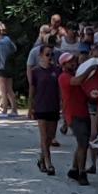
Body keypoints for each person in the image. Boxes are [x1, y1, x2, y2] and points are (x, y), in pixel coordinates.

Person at [59, 52, 91, 186]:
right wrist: (90, 68)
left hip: (83, 112)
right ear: (64, 64)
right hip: (74, 114)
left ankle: (74, 169)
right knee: (83, 144)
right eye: (70, 61)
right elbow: (76, 82)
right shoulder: (64, 77)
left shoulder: (75, 74)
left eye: (74, 60)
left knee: (82, 143)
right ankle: (82, 173)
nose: (73, 63)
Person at [28, 44, 61, 175]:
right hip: (41, 106)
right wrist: (30, 107)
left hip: (53, 106)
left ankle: (42, 159)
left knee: (50, 137)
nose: (50, 57)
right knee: (43, 136)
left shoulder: (57, 70)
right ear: (41, 55)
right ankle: (49, 163)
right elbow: (32, 89)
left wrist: (62, 103)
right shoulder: (35, 71)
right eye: (47, 54)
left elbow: (60, 89)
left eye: (52, 54)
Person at [0, 24, 19, 117]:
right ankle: (14, 110)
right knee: (10, 90)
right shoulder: (8, 40)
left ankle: (4, 110)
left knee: (3, 90)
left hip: (0, 68)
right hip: (9, 67)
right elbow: (15, 49)